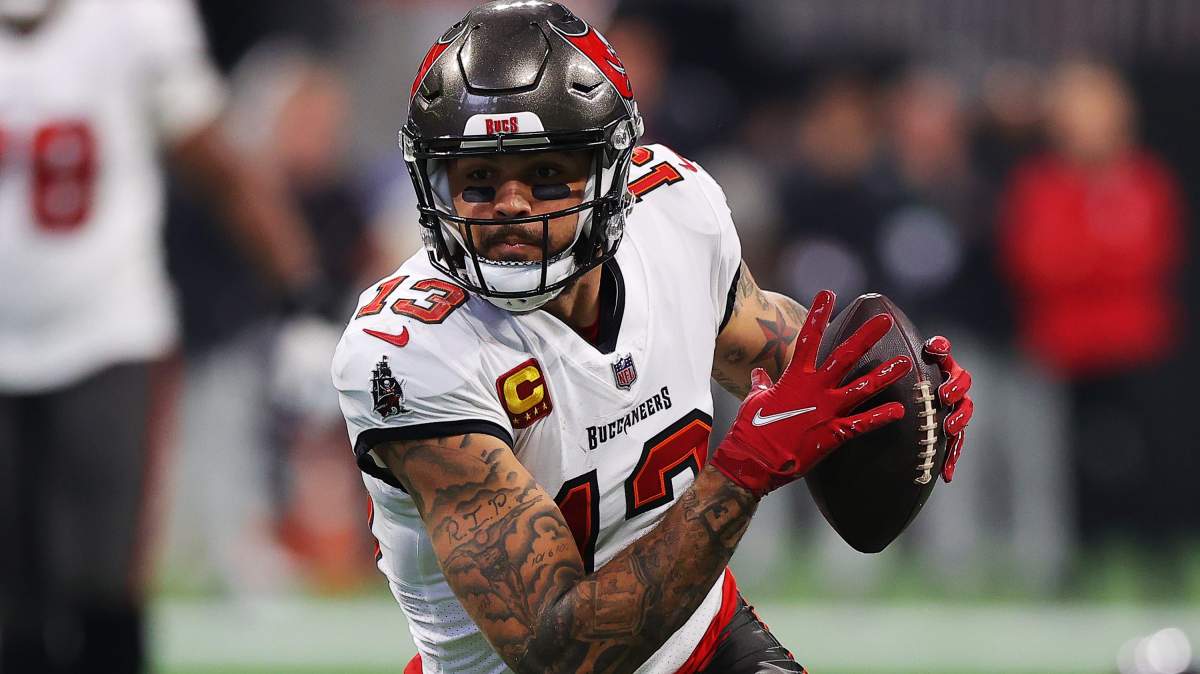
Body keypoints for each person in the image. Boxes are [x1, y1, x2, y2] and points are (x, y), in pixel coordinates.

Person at [331, 2, 974, 672]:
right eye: (478, 179)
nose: (511, 205)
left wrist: (899, 393)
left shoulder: (673, 214)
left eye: (545, 174)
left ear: (611, 173)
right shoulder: (411, 351)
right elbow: (559, 656)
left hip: (702, 641)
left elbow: (783, 360)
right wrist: (742, 472)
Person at [0, 0, 319, 671]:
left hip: (105, 332)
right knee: (13, 597)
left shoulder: (135, 17)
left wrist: (299, 296)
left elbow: (218, 165)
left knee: (106, 580)